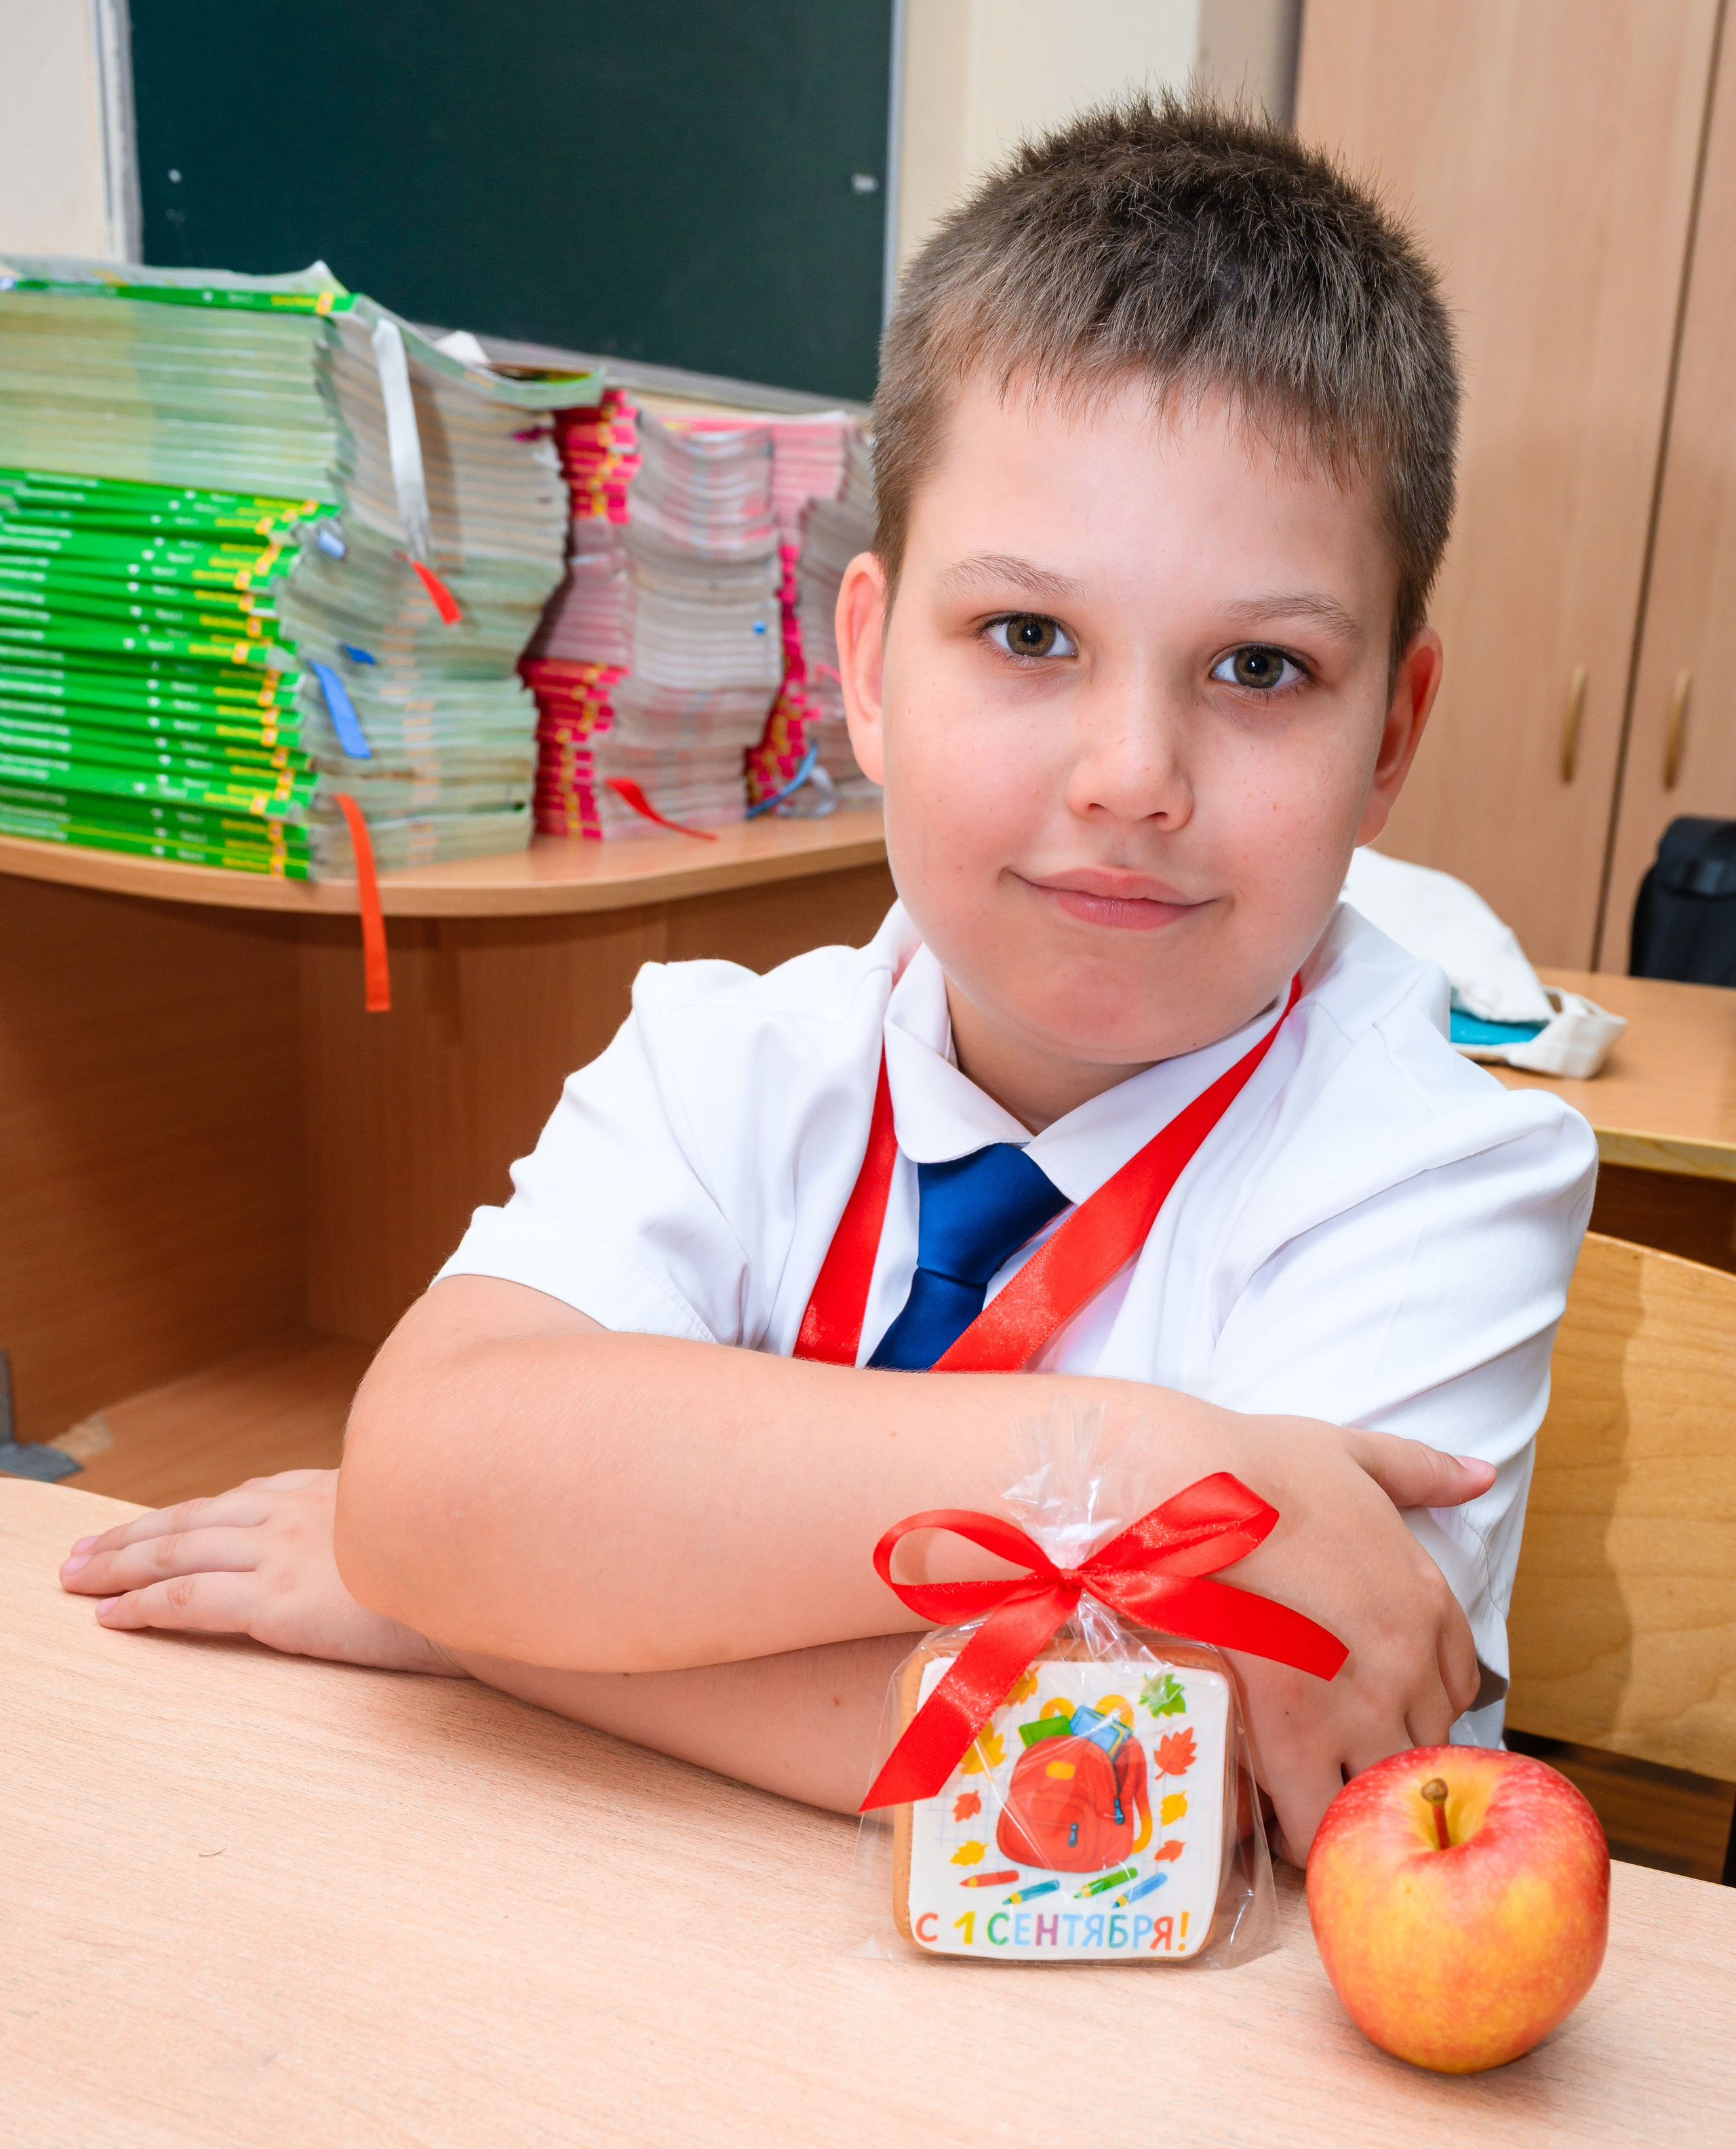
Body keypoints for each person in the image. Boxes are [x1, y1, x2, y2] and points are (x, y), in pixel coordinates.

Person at [59, 96, 1595, 1863]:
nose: (1130, 772)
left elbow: (1183, 1787)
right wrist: (1142, 1464)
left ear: (1390, 732)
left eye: (1259, 666)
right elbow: (427, 1470)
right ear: (865, 663)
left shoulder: (1445, 1170)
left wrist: (471, 1617)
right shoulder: (723, 1055)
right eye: (1029, 635)